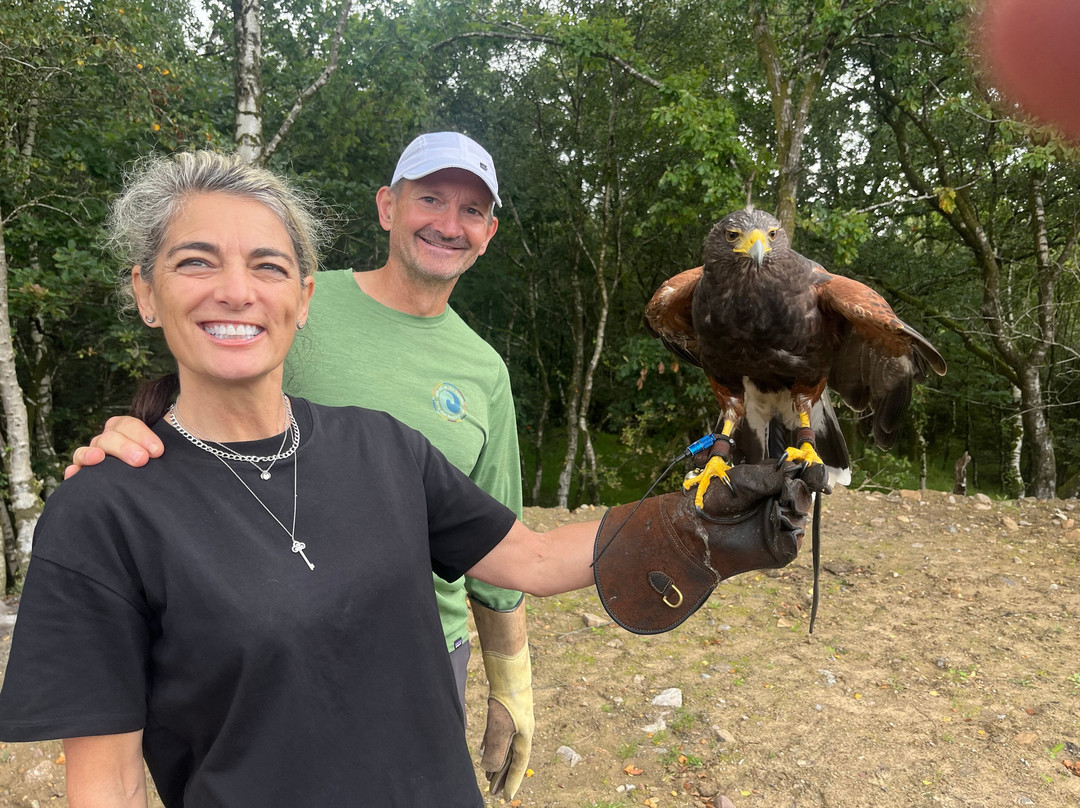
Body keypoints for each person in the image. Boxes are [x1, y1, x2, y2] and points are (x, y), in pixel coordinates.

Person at [0, 150, 813, 807]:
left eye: (268, 267)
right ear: (147, 291)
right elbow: (104, 785)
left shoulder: (383, 447)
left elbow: (527, 559)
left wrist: (694, 522)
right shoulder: (104, 513)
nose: (237, 291)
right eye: (195, 262)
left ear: (304, 297)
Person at [71, 131, 535, 797]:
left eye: (470, 211)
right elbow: (208, 404)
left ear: (488, 232)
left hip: (427, 653)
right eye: (429, 198)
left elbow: (503, 543)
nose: (447, 224)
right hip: (275, 642)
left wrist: (510, 677)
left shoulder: (485, 372)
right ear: (387, 206)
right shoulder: (291, 298)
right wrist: (130, 440)